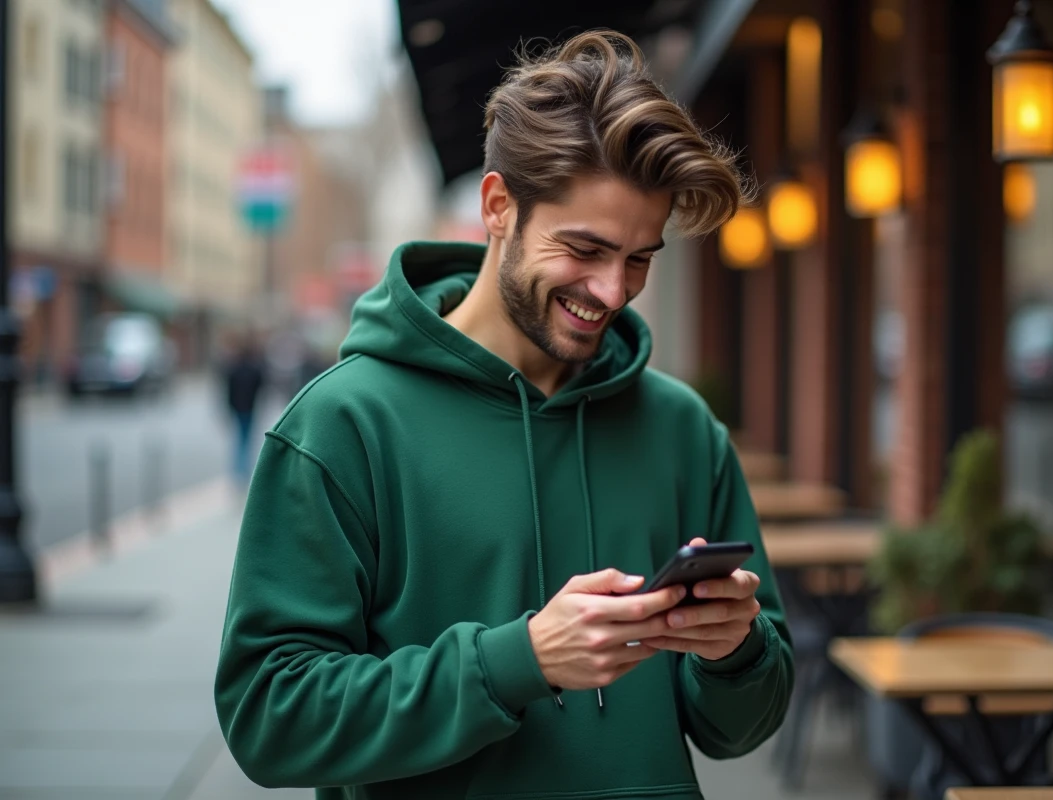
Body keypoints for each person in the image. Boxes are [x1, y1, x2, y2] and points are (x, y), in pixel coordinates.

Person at [214, 30, 794, 798]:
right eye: (584, 249)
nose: (614, 291)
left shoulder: (684, 429)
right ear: (497, 206)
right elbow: (269, 718)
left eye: (639, 258)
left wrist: (734, 652)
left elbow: (741, 728)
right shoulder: (344, 424)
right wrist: (517, 661)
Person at [222, 335, 265, 486]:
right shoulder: (255, 369)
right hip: (250, 408)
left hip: (238, 408)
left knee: (239, 439)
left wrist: (228, 408)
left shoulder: (233, 370)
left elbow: (228, 391)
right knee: (247, 439)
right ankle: (244, 470)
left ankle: (238, 470)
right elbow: (261, 388)